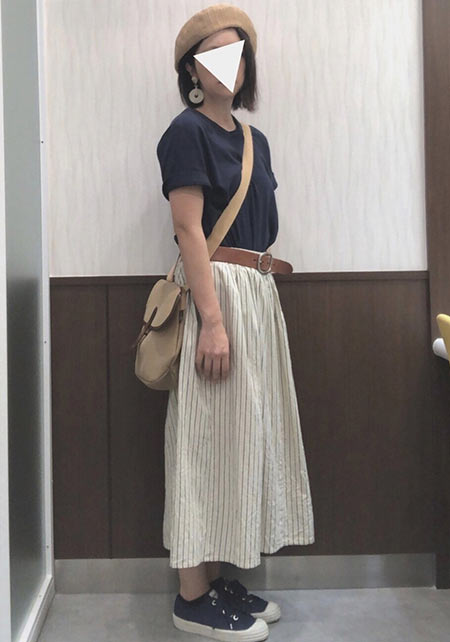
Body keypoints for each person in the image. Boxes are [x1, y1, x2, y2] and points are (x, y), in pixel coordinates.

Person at [156, 4, 315, 640]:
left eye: (238, 53)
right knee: (204, 441)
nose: (229, 66)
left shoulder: (255, 141)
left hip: (257, 297)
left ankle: (217, 578)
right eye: (214, 55)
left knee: (239, 441)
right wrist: (213, 322)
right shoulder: (185, 132)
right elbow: (188, 228)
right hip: (217, 296)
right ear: (192, 71)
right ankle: (191, 597)